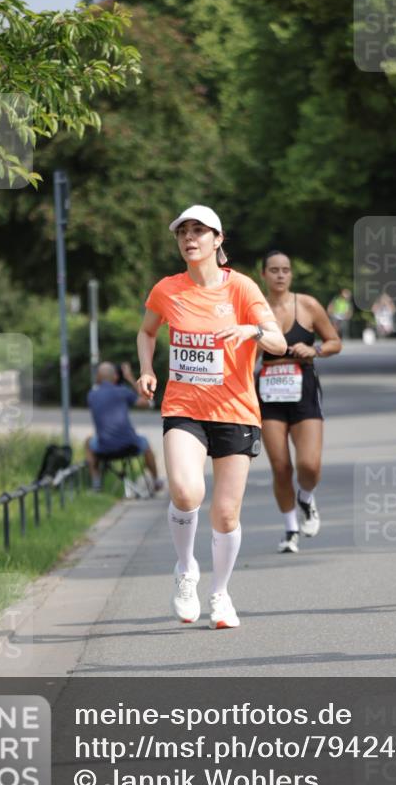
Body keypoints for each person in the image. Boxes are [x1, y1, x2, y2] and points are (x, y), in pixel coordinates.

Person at [137, 205, 286, 629]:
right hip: (184, 407)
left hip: (235, 410)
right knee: (185, 492)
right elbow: (147, 331)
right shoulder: (167, 290)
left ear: (217, 240)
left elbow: (276, 340)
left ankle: (220, 594)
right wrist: (147, 369)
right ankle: (186, 569)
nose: (189, 238)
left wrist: (250, 331)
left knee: (225, 514)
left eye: (199, 231)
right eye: (183, 232)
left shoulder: (240, 288)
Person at [259, 251, 342, 553]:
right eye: (274, 270)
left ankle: (306, 497)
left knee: (309, 464)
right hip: (268, 389)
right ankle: (290, 528)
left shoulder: (307, 305)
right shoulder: (255, 309)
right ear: (263, 275)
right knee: (280, 467)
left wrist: (315, 350)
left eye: (286, 270)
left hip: (303, 385)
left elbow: (335, 342)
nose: (281, 275)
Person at [85, 361, 163, 493]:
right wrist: (129, 377)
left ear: (98, 377)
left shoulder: (91, 396)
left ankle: (96, 484)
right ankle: (156, 481)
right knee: (146, 443)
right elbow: (148, 403)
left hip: (104, 447)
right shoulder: (123, 392)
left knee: (88, 442)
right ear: (115, 377)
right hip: (129, 445)